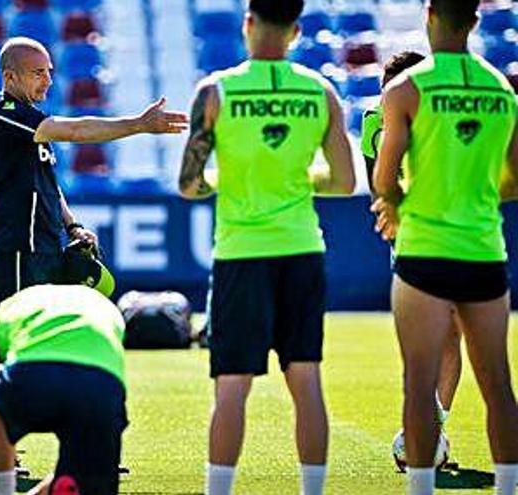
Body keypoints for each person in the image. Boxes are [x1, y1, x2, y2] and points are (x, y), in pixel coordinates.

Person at [178, 0, 356, 493]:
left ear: (247, 25)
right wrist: (299, 180)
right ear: (297, 32)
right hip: (302, 249)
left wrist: (229, 180)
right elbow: (344, 182)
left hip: (240, 253)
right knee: (307, 381)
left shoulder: (215, 91)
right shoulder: (320, 92)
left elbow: (189, 185)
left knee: (232, 388)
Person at [371, 0, 518, 493]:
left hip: (424, 250)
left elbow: (383, 177)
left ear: (430, 14)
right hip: (482, 249)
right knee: (499, 385)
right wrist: (469, 192)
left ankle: (420, 488)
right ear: (475, 22)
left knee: (419, 382)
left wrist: (395, 205)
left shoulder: (405, 88)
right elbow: (515, 180)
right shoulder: (502, 89)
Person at [0, 36, 188, 310]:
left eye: (49, 72)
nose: (48, 80)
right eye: (38, 73)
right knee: (16, 335)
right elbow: (75, 130)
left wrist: (72, 226)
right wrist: (138, 124)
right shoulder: (4, 115)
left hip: (46, 246)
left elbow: (48, 184)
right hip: (20, 247)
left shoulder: (28, 119)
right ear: (10, 77)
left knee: (46, 336)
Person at [362, 51, 462, 469]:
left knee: (451, 336)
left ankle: (430, 428)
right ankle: (427, 428)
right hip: (412, 240)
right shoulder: (373, 121)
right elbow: (377, 185)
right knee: (434, 339)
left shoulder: (442, 115)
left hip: (453, 234)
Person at [0, 284, 128, 495]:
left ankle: (1, 493)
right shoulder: (105, 306)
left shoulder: (13, 306)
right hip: (100, 391)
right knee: (75, 480)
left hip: (30, 379)